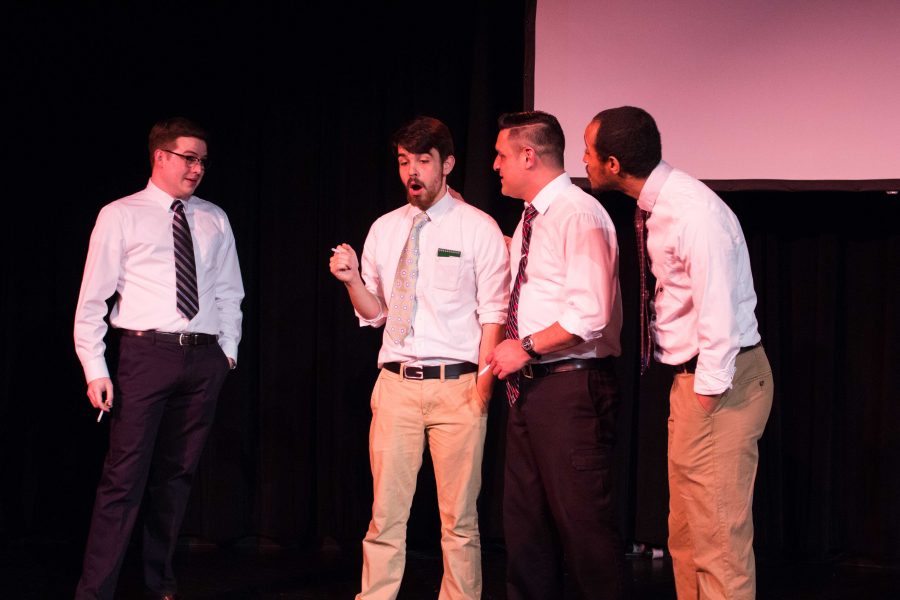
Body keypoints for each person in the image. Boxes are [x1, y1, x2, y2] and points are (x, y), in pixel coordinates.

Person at [584, 106, 774, 600]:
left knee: (718, 541)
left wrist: (705, 401)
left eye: (587, 151)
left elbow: (719, 320)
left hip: (718, 383)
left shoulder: (694, 214)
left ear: (612, 163)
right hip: (693, 383)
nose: (579, 160)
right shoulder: (658, 205)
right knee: (686, 535)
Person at [329, 116, 510, 600]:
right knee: (385, 515)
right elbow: (377, 314)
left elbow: (494, 313)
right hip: (396, 386)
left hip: (458, 387)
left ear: (447, 164)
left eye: (423, 162)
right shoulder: (386, 229)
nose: (412, 172)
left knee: (460, 521)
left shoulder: (478, 228)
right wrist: (351, 282)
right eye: (404, 162)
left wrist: (482, 389)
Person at [73, 117, 244, 600]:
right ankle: (95, 591)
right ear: (161, 157)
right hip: (144, 355)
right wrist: (96, 368)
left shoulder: (214, 217)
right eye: (189, 158)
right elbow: (92, 302)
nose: (197, 169)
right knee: (123, 479)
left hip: (202, 358)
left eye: (203, 161)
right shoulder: (121, 214)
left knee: (176, 478)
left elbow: (231, 291)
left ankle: (158, 583)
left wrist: (226, 352)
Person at [486, 111, 628, 599]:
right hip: (532, 388)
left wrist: (523, 347)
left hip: (571, 386)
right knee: (526, 527)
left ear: (529, 155)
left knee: (583, 524)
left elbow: (589, 315)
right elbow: (537, 284)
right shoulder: (532, 219)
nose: (495, 165)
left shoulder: (577, 213)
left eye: (502, 155)